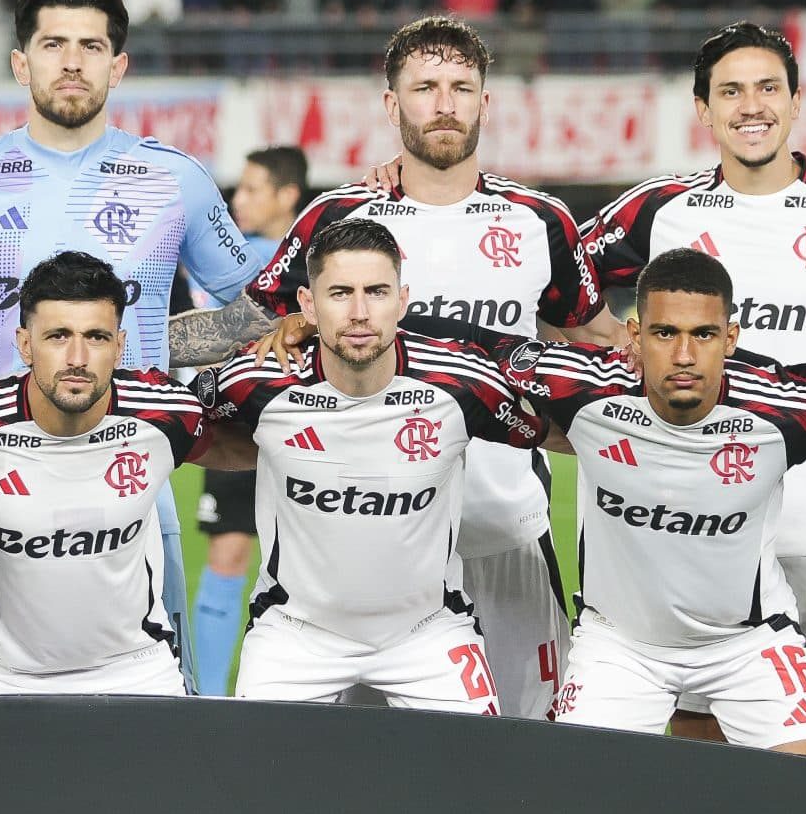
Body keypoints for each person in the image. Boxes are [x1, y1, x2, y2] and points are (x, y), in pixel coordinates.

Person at [186, 16, 622, 720]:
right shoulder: (338, 218)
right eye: (424, 87)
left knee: (530, 757)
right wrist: (127, 344)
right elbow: (244, 328)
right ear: (392, 106)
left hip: (504, 531)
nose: (444, 103)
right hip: (360, 552)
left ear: (486, 102)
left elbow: (598, 340)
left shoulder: (540, 219)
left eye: (461, 86)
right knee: (361, 775)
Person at [0, 0, 260, 682]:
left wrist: (157, 347)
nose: (71, 61)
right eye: (53, 43)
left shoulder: (173, 178)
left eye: (91, 46)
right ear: (19, 62)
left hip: (131, 477)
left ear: (118, 65)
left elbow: (256, 304)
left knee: (149, 702)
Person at [577, 21, 806, 764]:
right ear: (703, 109)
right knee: (704, 729)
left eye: (768, 88)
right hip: (702, 522)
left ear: (796, 101)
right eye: (730, 91)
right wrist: (620, 343)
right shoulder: (659, 209)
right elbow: (547, 270)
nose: (751, 105)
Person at [408, 249, 806, 756]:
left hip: (749, 643)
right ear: (635, 337)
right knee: (581, 808)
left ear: (730, 338)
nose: (683, 355)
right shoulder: (585, 389)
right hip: (619, 647)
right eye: (664, 334)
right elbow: (472, 344)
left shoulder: (787, 410)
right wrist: (325, 327)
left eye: (703, 335)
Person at [194, 218, 548, 711]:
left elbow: (559, 430)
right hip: (296, 636)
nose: (360, 312)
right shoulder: (253, 381)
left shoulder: (463, 383)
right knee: (260, 783)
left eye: (377, 292)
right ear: (307, 306)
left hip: (427, 633)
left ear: (403, 300)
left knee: (475, 779)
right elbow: (182, 432)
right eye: (339, 293)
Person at [0, 253, 243, 694]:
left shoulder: (163, 413)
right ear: (25, 344)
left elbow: (254, 445)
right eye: (58, 336)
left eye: (95, 337)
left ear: (118, 347)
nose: (77, 358)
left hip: (137, 672)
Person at [191, 145, 306, 696]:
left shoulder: (316, 257)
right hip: (241, 420)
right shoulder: (222, 262)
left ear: (288, 196)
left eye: (253, 189)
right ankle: (211, 698)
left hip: (308, 423)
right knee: (229, 549)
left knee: (312, 554)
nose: (239, 200)